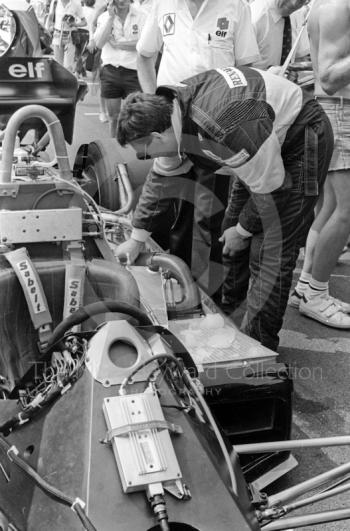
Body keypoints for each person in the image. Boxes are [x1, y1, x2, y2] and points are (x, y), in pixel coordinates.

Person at [116, 65, 333, 350]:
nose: (143, 158)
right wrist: (136, 239)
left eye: (142, 151)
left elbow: (272, 187)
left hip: (298, 138)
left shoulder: (225, 124)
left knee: (268, 250)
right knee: (227, 232)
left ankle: (257, 349)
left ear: (157, 137)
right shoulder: (169, 112)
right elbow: (160, 181)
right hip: (255, 146)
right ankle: (227, 318)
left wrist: (243, 230)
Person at [118, 0, 261, 300]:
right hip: (173, 125)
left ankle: (217, 300)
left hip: (217, 132)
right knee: (176, 210)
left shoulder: (236, 7)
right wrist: (155, 109)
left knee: (213, 218)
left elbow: (249, 71)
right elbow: (144, 57)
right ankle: (181, 289)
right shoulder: (163, 5)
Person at [289, 0, 350, 328]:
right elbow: (328, 76)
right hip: (339, 109)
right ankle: (316, 295)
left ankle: (307, 289)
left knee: (329, 207)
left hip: (336, 109)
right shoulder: (338, 6)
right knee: (346, 211)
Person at [94, 0, 146, 137]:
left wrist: (117, 44)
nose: (122, 1)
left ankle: (139, 150)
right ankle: (114, 150)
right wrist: (111, 18)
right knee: (113, 118)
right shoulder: (104, 17)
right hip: (110, 70)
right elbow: (99, 43)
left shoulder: (142, 15)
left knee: (137, 116)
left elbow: (143, 44)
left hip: (134, 70)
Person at [250, 0, 310, 72]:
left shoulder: (298, 13)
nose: (294, 4)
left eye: (301, 1)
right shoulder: (253, 17)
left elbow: (300, 57)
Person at [46, 0, 87, 70]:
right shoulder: (55, 2)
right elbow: (50, 17)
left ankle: (67, 79)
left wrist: (74, 24)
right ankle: (59, 80)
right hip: (57, 34)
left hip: (70, 35)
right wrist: (49, 27)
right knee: (58, 64)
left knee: (68, 65)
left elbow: (84, 22)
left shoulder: (76, 4)